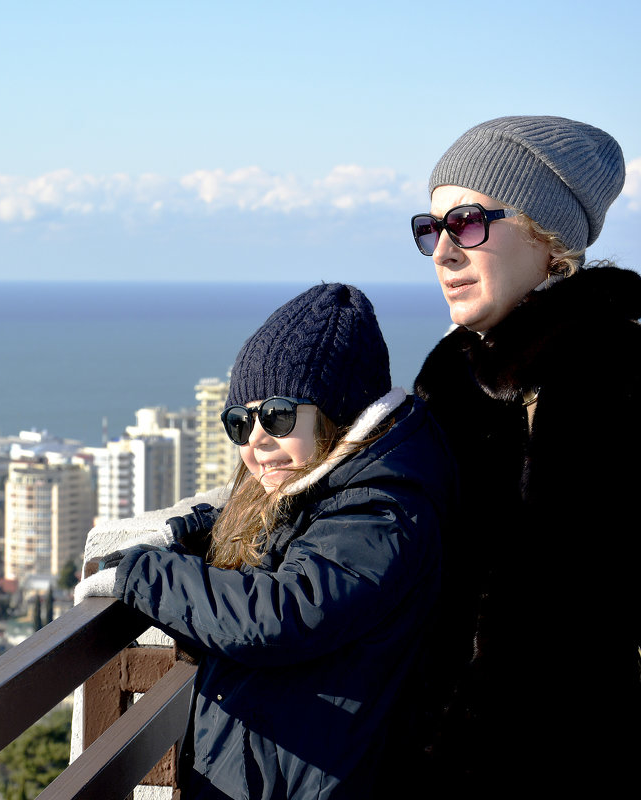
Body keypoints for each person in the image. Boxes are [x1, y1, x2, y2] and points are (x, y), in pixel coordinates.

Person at [76, 283, 455, 799]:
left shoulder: (382, 510)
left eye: (277, 415)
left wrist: (142, 574)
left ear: (338, 410)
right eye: (240, 421)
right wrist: (187, 534)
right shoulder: (333, 490)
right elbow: (282, 542)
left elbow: (277, 616)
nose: (256, 439)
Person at [409, 115, 641, 797]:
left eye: (468, 223)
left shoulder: (610, 374)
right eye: (431, 230)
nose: (442, 253)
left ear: (550, 239)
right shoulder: (454, 375)